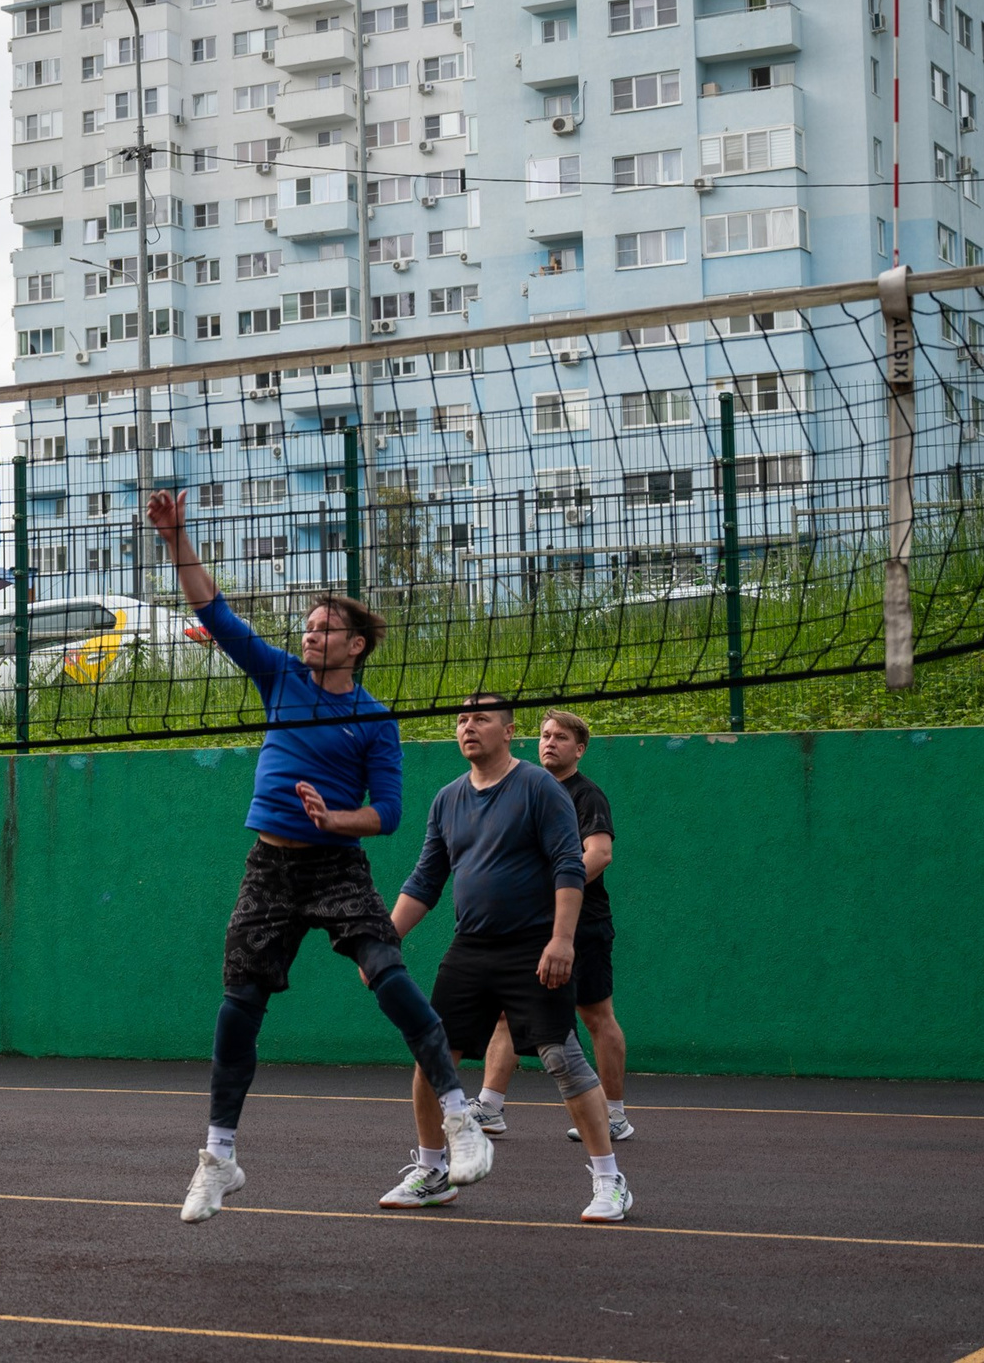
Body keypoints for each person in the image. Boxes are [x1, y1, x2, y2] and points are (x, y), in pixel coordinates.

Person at [141, 491, 489, 1223]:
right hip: (268, 867)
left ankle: (459, 1116)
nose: (310, 635)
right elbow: (216, 613)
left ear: (356, 643)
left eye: (325, 628)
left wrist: (336, 817)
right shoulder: (281, 678)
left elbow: (388, 814)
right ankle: (219, 1156)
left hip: (335, 865)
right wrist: (177, 539)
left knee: (386, 973)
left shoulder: (373, 719)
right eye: (307, 627)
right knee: (239, 1004)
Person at [384, 695, 632, 1222]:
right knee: (433, 1059)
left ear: (508, 731)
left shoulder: (539, 787)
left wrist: (562, 940)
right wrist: (384, 938)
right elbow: (427, 878)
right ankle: (432, 1174)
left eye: (481, 719)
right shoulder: (448, 798)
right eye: (461, 719)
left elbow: (571, 864)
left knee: (562, 1058)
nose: (468, 726)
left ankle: (610, 1181)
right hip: (470, 947)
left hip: (533, 944)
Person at [466, 708, 632, 1144]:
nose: (549, 742)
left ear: (579, 749)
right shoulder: (525, 791)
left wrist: (555, 893)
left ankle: (614, 1114)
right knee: (505, 1009)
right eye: (544, 735)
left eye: (560, 737)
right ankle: (490, 1107)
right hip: (531, 927)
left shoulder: (586, 795)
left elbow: (598, 854)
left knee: (595, 1016)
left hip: (583, 925)